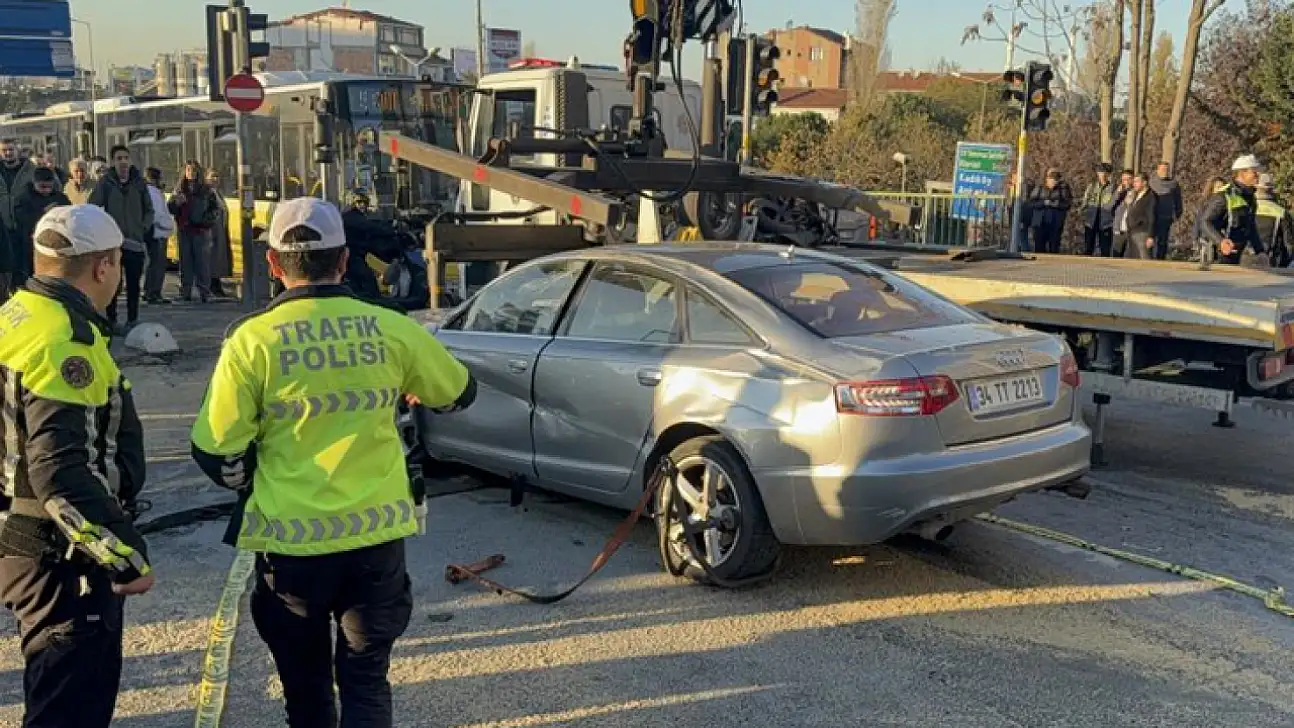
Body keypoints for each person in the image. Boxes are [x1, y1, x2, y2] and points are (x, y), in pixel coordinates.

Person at [190, 197, 477, 728]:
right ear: (345, 260)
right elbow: (460, 394)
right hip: (376, 543)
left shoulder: (251, 341)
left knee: (306, 688)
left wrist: (248, 477)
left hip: (291, 550)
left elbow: (215, 450)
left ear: (274, 265)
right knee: (366, 681)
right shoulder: (390, 328)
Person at [0, 204, 155, 728]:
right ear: (104, 266)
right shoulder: (68, 340)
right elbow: (60, 473)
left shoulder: (12, 315)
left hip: (13, 537)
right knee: (70, 708)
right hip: (59, 555)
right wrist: (121, 554)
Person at [89, 146, 154, 331]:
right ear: (113, 162)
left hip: (135, 241)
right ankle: (112, 320)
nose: (123, 162)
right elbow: (93, 206)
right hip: (113, 243)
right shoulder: (105, 183)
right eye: (119, 158)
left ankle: (133, 319)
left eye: (126, 157)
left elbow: (149, 209)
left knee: (134, 284)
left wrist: (143, 227)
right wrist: (103, 228)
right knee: (114, 284)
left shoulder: (139, 183)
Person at [167, 160, 221, 303]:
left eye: (194, 170)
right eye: (188, 170)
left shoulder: (206, 190)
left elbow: (215, 210)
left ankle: (205, 292)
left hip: (201, 230)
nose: (191, 173)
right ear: (184, 172)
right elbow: (170, 208)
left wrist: (205, 220)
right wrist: (176, 203)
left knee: (202, 262)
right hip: (184, 229)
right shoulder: (179, 189)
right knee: (185, 262)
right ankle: (186, 292)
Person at [1198, 154, 1265, 266]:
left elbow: (1251, 227)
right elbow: (1205, 222)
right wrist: (1221, 241)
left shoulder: (1250, 198)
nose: (1258, 175)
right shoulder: (1224, 196)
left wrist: (1260, 251)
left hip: (1237, 256)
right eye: (1254, 172)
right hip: (1219, 257)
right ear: (1242, 173)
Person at [13, 167, 73, 288]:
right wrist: (43, 213)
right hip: (29, 247)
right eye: (42, 187)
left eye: (49, 187)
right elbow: (21, 220)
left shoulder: (60, 198)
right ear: (34, 183)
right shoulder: (23, 198)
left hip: (55, 246)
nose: (46, 190)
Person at [143, 167, 176, 305]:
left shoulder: (148, 191)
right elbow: (157, 215)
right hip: (158, 233)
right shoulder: (153, 192)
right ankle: (154, 292)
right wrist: (168, 225)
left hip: (154, 232)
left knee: (153, 264)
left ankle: (149, 291)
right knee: (157, 264)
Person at [0, 139, 36, 258]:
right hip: (3, 228)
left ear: (18, 151)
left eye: (11, 149)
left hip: (26, 227)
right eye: (4, 150)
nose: (8, 153)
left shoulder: (31, 170)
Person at [1029, 168, 1072, 254]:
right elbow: (1031, 203)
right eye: (1051, 180)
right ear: (1047, 179)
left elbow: (1067, 204)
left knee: (1054, 246)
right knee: (1039, 246)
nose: (1053, 182)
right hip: (1040, 222)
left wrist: (1056, 204)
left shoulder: (1063, 189)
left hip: (1055, 222)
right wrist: (1043, 203)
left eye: (1055, 180)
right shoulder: (1040, 188)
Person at [205, 169, 234, 298]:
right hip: (212, 231)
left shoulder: (218, 193)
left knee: (219, 260)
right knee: (212, 260)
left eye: (217, 176)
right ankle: (212, 286)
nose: (216, 179)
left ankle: (217, 285)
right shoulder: (207, 193)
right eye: (213, 177)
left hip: (220, 231)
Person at [1115, 172, 1158, 260]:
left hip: (1142, 233)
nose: (1134, 184)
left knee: (1144, 257)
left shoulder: (1151, 197)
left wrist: (1150, 236)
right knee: (1131, 259)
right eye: (1134, 182)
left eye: (1137, 182)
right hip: (1132, 231)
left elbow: (1152, 217)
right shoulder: (1136, 194)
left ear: (1144, 182)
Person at [1254, 173, 1291, 269]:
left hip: (1243, 261)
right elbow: (1289, 246)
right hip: (1270, 263)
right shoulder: (1281, 212)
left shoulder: (1245, 208)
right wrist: (1281, 267)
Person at [1081, 162, 1118, 257]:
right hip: (1091, 220)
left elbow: (1114, 204)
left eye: (1105, 172)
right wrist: (1084, 214)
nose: (1102, 175)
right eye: (1100, 172)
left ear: (1109, 174)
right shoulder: (1092, 186)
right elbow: (1085, 201)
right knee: (1088, 247)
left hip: (1106, 222)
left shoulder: (1113, 188)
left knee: (1105, 248)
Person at [1148, 161, 1183, 260]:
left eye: (1167, 170)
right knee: (1150, 238)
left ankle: (1160, 259)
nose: (1165, 172)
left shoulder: (1173, 184)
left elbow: (1178, 200)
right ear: (1157, 170)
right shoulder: (1152, 182)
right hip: (1152, 215)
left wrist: (1177, 213)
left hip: (1166, 216)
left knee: (1162, 241)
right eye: (1163, 169)